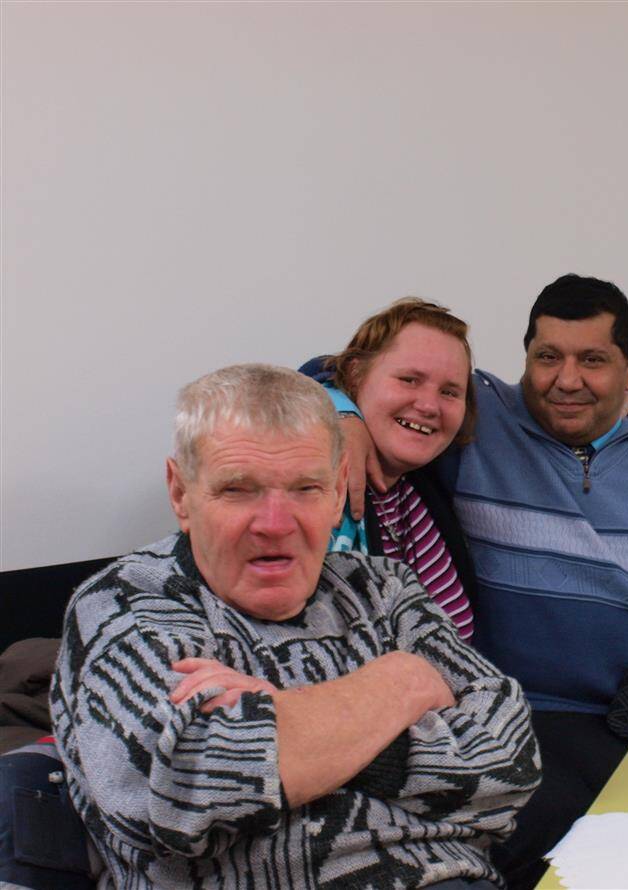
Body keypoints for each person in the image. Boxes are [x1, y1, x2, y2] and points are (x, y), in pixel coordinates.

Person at [328, 274, 628, 886]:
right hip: (516, 713)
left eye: (593, 360)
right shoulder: (474, 422)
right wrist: (343, 415)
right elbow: (351, 371)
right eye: (547, 357)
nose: (566, 380)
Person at [50, 364, 540, 888]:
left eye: (306, 488)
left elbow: (511, 761)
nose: (276, 524)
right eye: (238, 489)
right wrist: (401, 682)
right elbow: (183, 798)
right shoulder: (125, 605)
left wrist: (280, 721)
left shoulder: (383, 588)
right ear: (180, 493)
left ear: (337, 494)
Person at [314, 298, 479, 639]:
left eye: (450, 392)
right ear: (355, 375)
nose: (429, 405)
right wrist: (338, 408)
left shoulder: (431, 480)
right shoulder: (313, 492)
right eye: (409, 379)